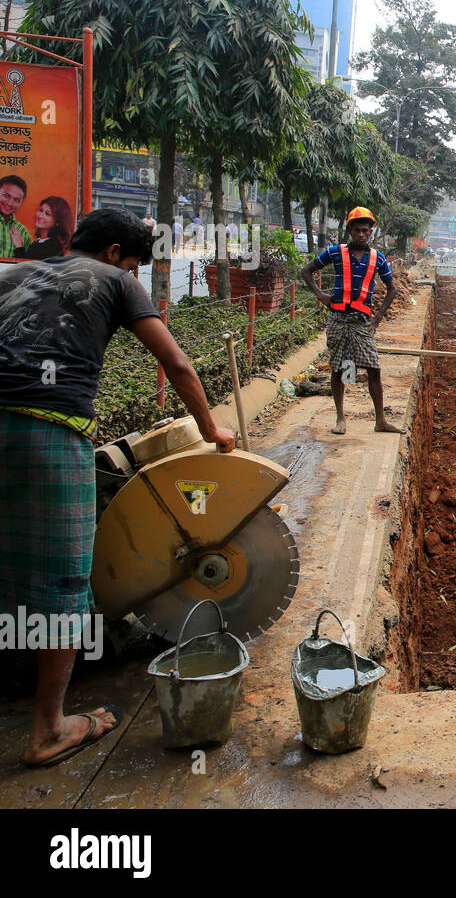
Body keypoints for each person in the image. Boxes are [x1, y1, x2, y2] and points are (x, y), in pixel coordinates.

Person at [0, 208, 236, 767]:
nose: (132, 269)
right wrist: (212, 430)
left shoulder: (14, 274)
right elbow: (176, 364)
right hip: (48, 430)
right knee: (63, 575)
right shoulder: (115, 280)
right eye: (133, 261)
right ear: (114, 254)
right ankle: (48, 730)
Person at [302, 206, 402, 436]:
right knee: (339, 368)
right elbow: (307, 271)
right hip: (338, 319)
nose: (361, 234)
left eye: (365, 231)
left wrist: (377, 318)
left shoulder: (378, 258)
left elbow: (392, 289)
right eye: (357, 230)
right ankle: (340, 418)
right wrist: (321, 296)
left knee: (373, 368)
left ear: (371, 232)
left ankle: (380, 420)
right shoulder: (336, 252)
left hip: (361, 322)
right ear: (349, 230)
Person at [16, 195, 74, 261]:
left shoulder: (53, 247)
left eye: (47, 214)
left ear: (57, 221)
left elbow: (27, 267)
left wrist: (19, 247)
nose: (40, 215)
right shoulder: (39, 242)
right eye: (41, 210)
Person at [0, 174, 31, 258]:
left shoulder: (23, 232)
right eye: (6, 196)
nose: (9, 203)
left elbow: (25, 266)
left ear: (21, 203)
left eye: (16, 200)